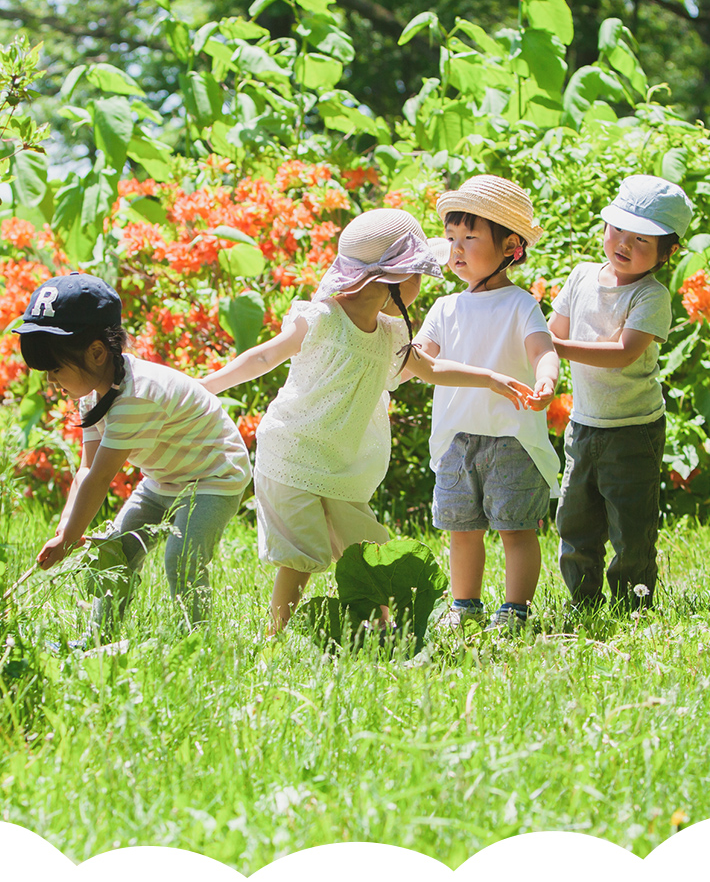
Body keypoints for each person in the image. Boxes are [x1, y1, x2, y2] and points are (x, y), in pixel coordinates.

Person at [201, 208, 534, 633]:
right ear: (396, 279)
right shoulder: (322, 318)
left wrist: (489, 377)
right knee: (302, 554)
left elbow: (433, 369)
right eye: (418, 274)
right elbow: (265, 354)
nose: (422, 284)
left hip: (338, 464)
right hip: (292, 452)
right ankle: (275, 638)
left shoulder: (391, 334)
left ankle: (382, 632)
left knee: (367, 551)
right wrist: (207, 385)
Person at [15, 272, 251, 641]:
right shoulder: (93, 392)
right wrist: (65, 529)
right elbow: (86, 468)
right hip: (165, 479)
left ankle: (197, 641)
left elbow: (100, 477)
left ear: (96, 352)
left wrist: (70, 537)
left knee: (182, 558)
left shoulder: (136, 397)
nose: (50, 381)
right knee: (117, 551)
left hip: (214, 477)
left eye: (55, 368)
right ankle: (99, 636)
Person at [415, 175, 560, 632]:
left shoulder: (520, 305)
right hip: (458, 438)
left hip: (511, 438)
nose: (456, 249)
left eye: (470, 237)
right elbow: (418, 358)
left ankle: (515, 609)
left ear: (510, 245)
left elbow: (543, 349)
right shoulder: (444, 309)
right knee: (463, 528)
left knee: (516, 528)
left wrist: (547, 379)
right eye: (451, 238)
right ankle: (465, 605)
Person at [549, 174, 693, 610]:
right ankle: (583, 600)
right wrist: (542, 369)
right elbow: (554, 331)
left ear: (668, 253)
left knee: (630, 525)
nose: (624, 245)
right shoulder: (580, 278)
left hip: (633, 431)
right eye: (618, 231)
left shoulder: (651, 296)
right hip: (583, 424)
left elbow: (622, 353)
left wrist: (552, 346)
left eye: (642, 241)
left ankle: (634, 603)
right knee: (574, 518)